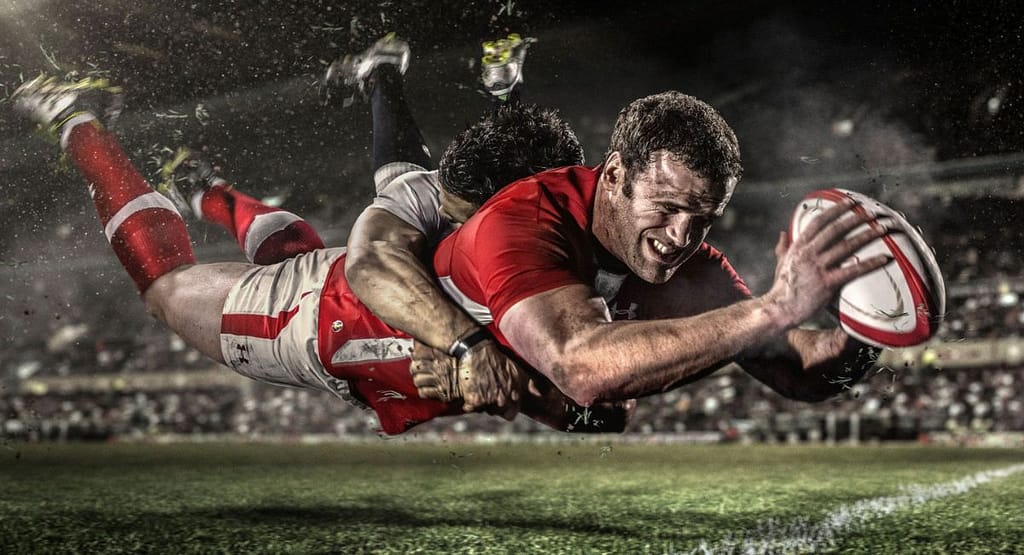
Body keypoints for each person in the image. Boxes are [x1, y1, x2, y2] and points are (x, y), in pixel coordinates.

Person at [10, 35, 626, 435]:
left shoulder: (541, 241)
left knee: (307, 251)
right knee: (166, 290)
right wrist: (470, 354)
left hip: (340, 305)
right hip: (319, 321)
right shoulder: (438, 202)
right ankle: (77, 117)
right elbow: (375, 266)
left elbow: (593, 401)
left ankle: (205, 189)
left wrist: (524, 384)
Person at [419, 90, 891, 409]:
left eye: (703, 220)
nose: (682, 237)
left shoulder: (694, 268)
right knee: (396, 187)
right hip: (350, 337)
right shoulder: (526, 215)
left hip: (422, 400)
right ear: (614, 175)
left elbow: (797, 371)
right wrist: (777, 307)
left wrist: (873, 324)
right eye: (667, 207)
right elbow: (581, 369)